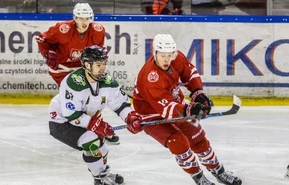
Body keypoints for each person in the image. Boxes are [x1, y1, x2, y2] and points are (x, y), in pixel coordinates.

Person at [128, 34, 242, 185]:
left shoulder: (177, 58)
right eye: (163, 55)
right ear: (154, 53)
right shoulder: (150, 77)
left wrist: (198, 93)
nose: (167, 59)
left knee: (198, 138)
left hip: (175, 103)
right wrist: (190, 109)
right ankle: (199, 178)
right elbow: (167, 109)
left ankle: (219, 171)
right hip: (151, 114)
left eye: (169, 55)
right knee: (178, 142)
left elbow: (190, 74)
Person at [48, 45, 142, 185]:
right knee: (91, 142)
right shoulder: (73, 83)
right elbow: (72, 115)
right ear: (87, 65)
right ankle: (100, 179)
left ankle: (103, 173)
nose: (103, 68)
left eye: (104, 64)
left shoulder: (108, 83)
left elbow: (120, 104)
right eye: (99, 65)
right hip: (61, 122)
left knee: (103, 150)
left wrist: (130, 117)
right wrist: (96, 125)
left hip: (84, 119)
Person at [36, 3, 120, 144]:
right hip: (62, 69)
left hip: (84, 68)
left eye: (87, 18)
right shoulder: (62, 29)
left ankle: (97, 126)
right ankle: (87, 128)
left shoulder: (98, 31)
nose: (84, 22)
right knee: (79, 97)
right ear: (75, 18)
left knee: (95, 96)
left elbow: (98, 52)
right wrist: (48, 54)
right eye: (81, 18)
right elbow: (41, 39)